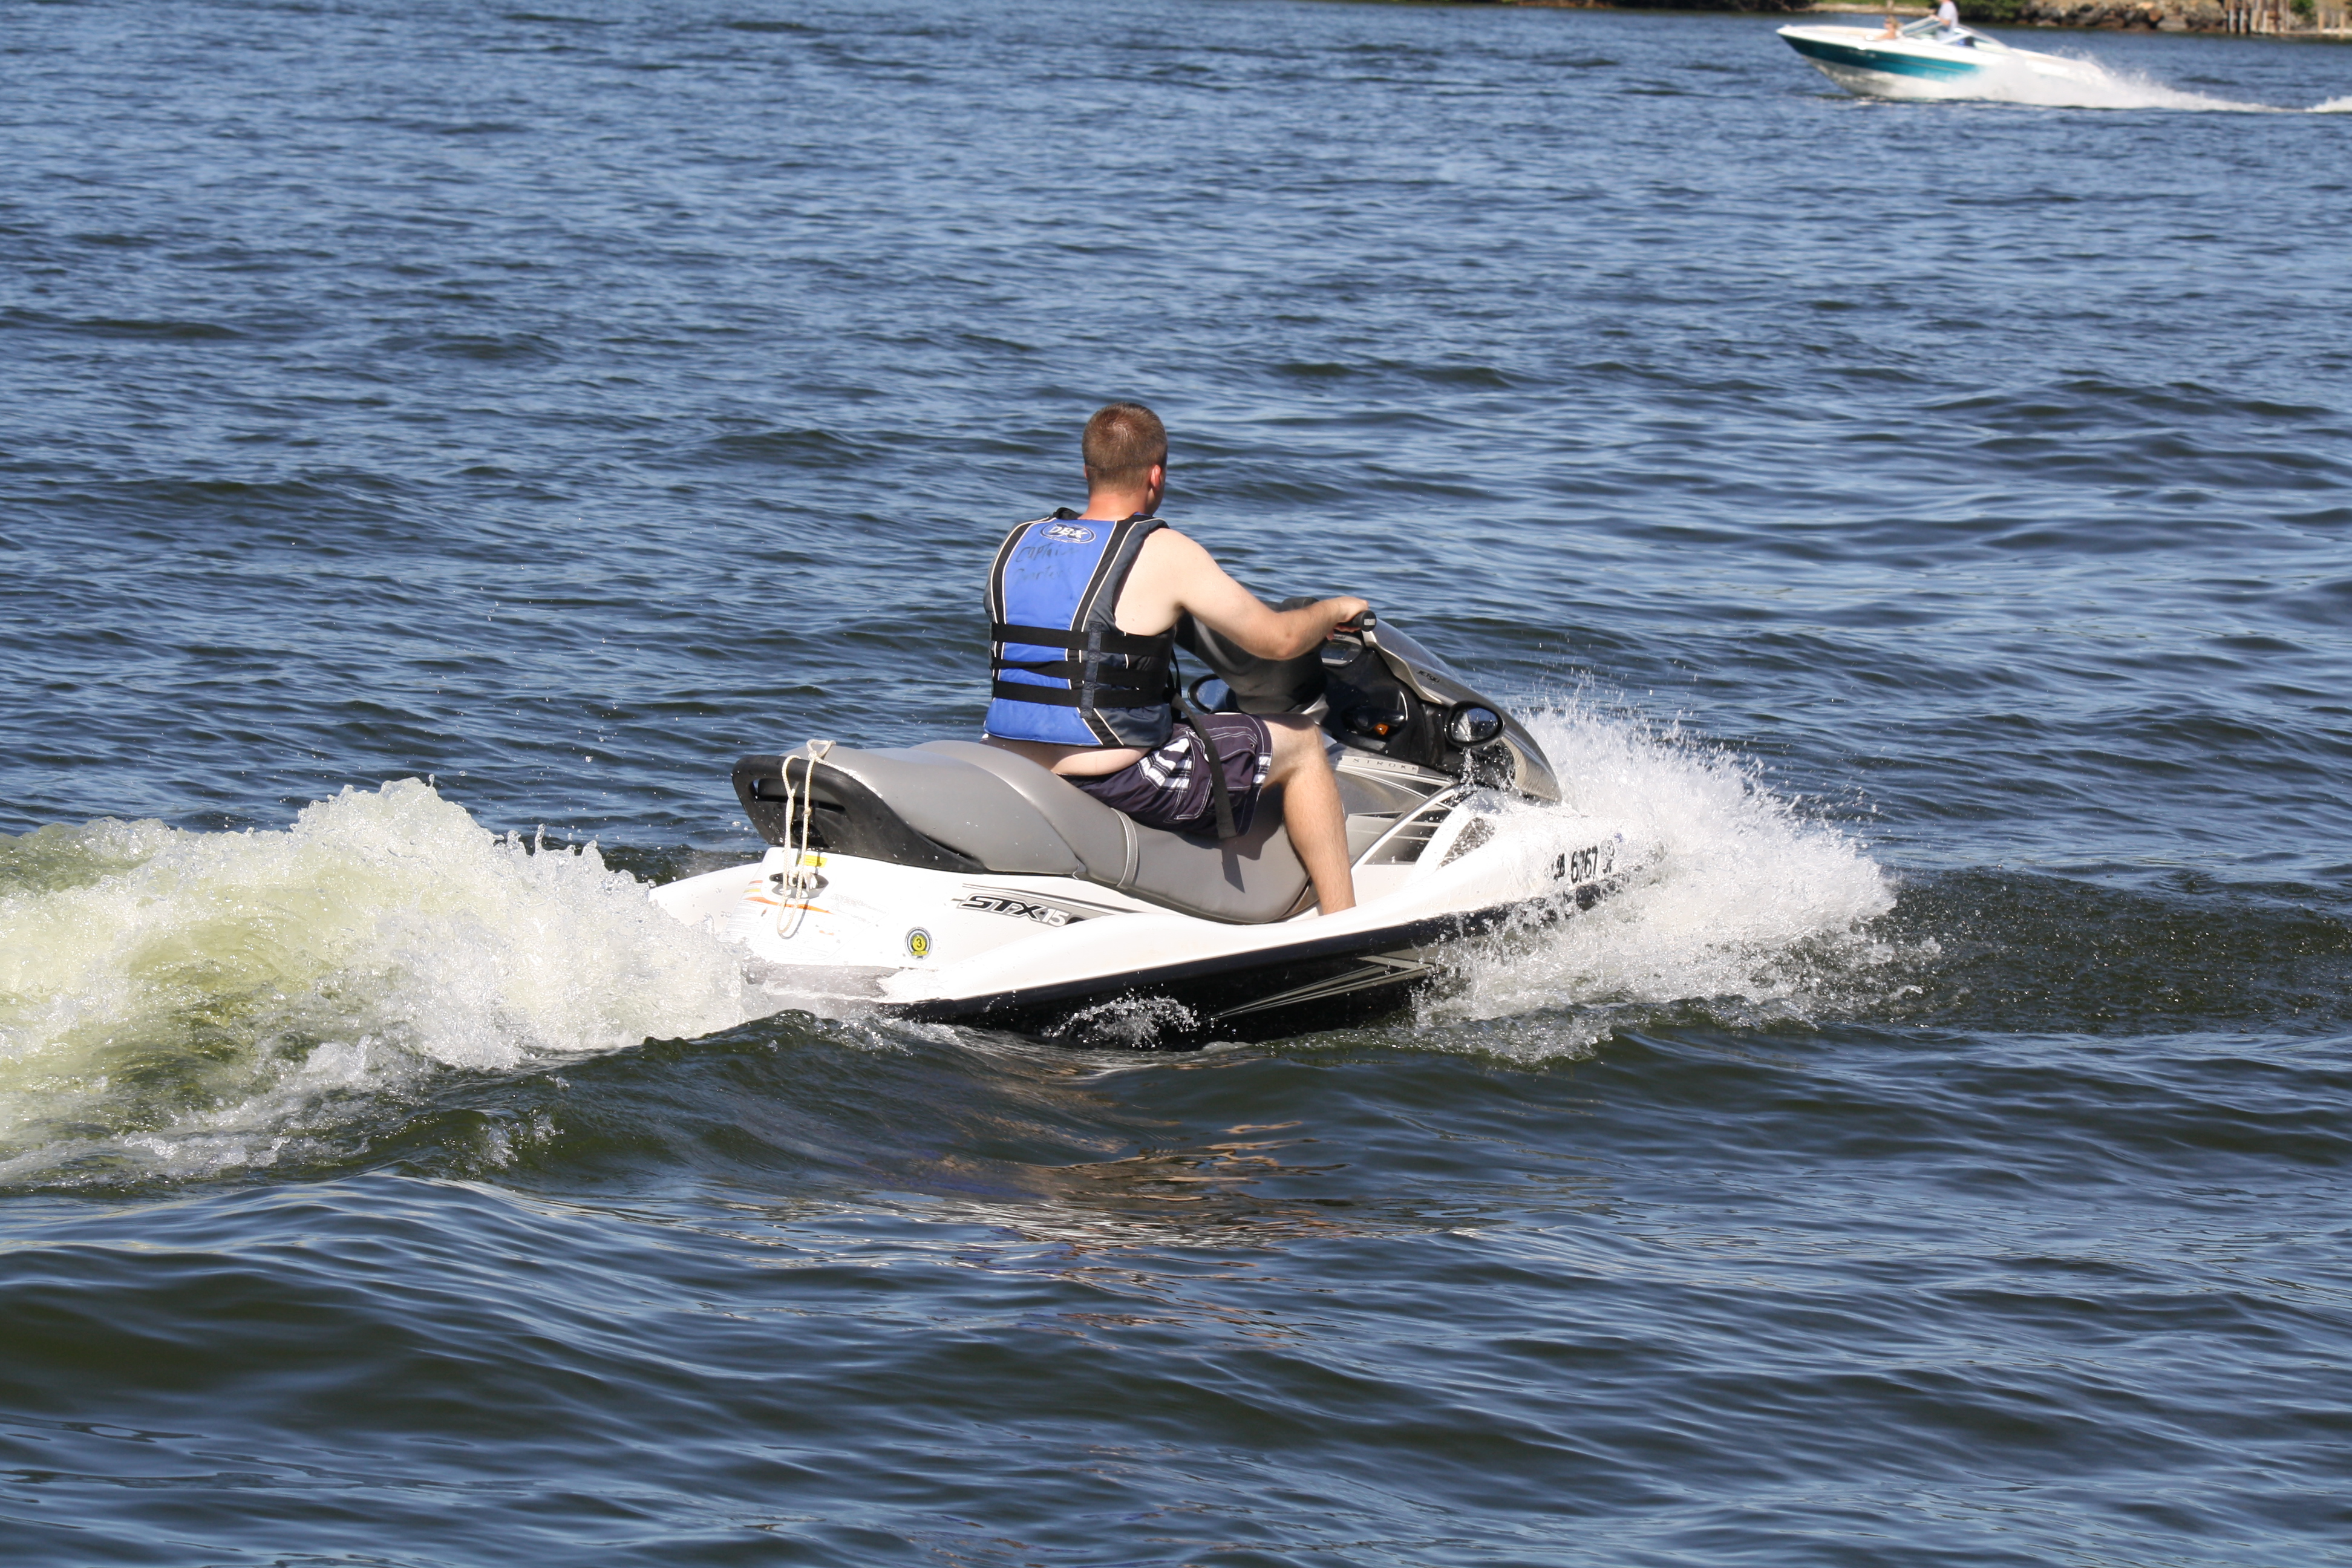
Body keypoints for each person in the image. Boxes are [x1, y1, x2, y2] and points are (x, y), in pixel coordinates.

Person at [982, 402, 1367, 915]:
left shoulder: (1019, 542)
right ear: (1156, 475)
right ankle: (1344, 923)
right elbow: (1278, 641)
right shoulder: (1163, 550)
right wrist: (1333, 610)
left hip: (1010, 755)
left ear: (1087, 472)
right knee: (1302, 743)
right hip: (1115, 774)